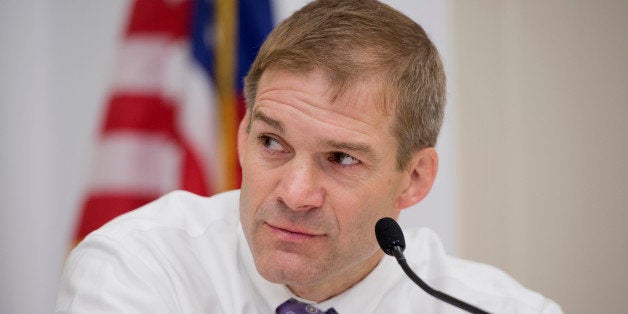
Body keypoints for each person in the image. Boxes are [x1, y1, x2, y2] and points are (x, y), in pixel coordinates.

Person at [56, 0, 562, 313]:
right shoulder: (138, 268)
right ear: (241, 139)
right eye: (272, 144)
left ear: (413, 178)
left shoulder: (494, 308)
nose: (294, 194)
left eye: (341, 158)